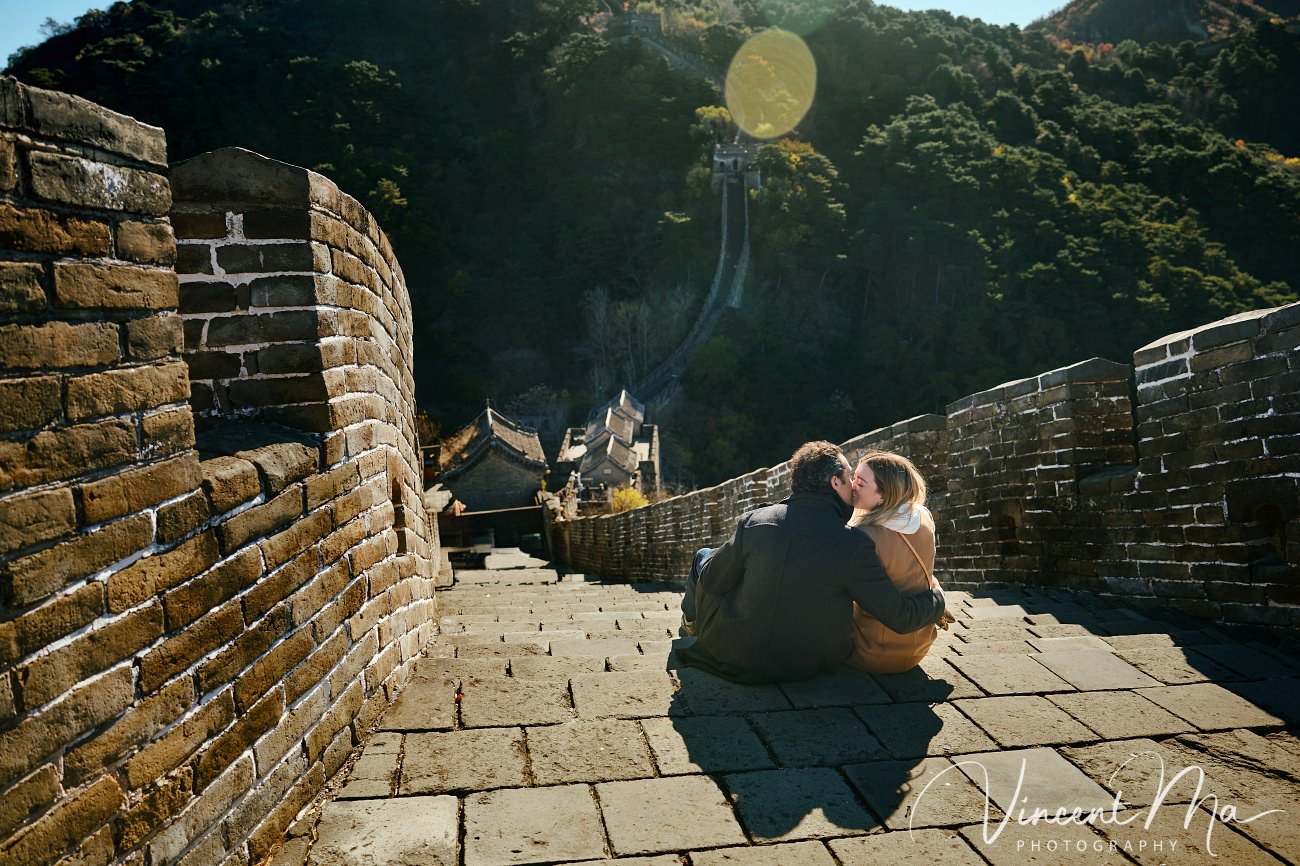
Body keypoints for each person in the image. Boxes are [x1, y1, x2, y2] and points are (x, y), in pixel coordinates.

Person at [677, 441, 948, 683]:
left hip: (733, 652)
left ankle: (690, 624)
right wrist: (937, 599)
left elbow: (712, 581)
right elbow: (899, 616)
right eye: (849, 477)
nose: (853, 487)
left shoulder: (753, 522)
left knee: (705, 557)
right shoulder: (853, 543)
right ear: (834, 483)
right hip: (810, 663)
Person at [845, 450, 948, 673]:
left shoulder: (863, 536)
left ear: (883, 495)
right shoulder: (923, 516)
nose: (852, 486)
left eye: (860, 483)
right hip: (919, 646)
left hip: (871, 651)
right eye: (854, 477)